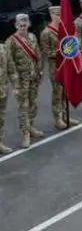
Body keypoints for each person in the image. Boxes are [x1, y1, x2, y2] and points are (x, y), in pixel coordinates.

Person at [5, 14, 44, 148]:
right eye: (20, 25)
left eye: (25, 24)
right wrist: (15, 85)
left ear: (28, 24)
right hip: (21, 80)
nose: (23, 27)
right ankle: (25, 134)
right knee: (24, 107)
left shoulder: (32, 37)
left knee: (33, 104)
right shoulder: (10, 42)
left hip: (33, 77)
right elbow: (10, 65)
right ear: (16, 25)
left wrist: (40, 72)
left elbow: (38, 55)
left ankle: (31, 126)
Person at [40, 6, 81, 130]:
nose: (60, 17)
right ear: (51, 15)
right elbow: (46, 52)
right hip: (56, 68)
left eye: (61, 15)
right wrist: (62, 52)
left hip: (66, 67)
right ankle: (57, 118)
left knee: (65, 93)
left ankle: (65, 115)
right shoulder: (46, 33)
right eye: (57, 15)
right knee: (57, 94)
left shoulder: (64, 29)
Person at [0, 41, 12, 154]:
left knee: (1, 117)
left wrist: (16, 85)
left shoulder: (3, 48)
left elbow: (10, 67)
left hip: (3, 89)